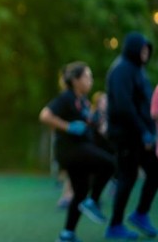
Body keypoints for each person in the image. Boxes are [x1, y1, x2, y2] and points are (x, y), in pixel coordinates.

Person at [39, 61, 116, 242]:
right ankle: (93, 200)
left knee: (80, 191)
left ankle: (67, 234)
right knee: (110, 163)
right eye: (87, 77)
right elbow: (45, 115)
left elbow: (89, 123)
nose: (90, 80)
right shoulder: (67, 97)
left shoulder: (83, 101)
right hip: (71, 150)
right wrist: (67, 126)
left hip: (79, 151)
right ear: (75, 80)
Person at [105, 31, 158, 240]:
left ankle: (140, 214)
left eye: (147, 49)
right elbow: (123, 106)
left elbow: (144, 104)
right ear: (133, 48)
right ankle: (115, 225)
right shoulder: (121, 70)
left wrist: (150, 131)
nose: (145, 53)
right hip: (126, 134)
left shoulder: (138, 71)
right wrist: (143, 131)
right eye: (142, 49)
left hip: (141, 134)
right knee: (127, 177)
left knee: (155, 171)